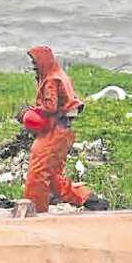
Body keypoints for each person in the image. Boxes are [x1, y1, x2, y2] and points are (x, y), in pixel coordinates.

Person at [20, 45, 107, 214]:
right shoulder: (60, 74)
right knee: (53, 176)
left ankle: (35, 212)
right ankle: (88, 199)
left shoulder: (51, 80)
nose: (33, 66)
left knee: (37, 173)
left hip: (54, 131)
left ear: (42, 61)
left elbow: (50, 107)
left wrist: (28, 112)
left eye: (35, 62)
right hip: (64, 131)